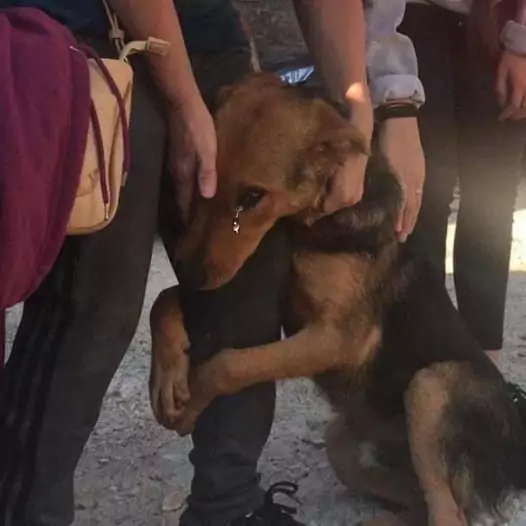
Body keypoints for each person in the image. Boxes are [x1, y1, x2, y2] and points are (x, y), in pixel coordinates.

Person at [0, 1, 425, 526]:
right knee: (97, 304)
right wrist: (183, 103)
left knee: (246, 289)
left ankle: (228, 508)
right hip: (90, 28)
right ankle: (25, 511)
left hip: (207, 34)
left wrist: (357, 116)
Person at [374, 0, 526, 365]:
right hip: (410, 20)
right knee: (422, 198)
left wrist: (523, 43)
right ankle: (427, 369)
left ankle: (486, 375)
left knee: (491, 201)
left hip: (497, 24)